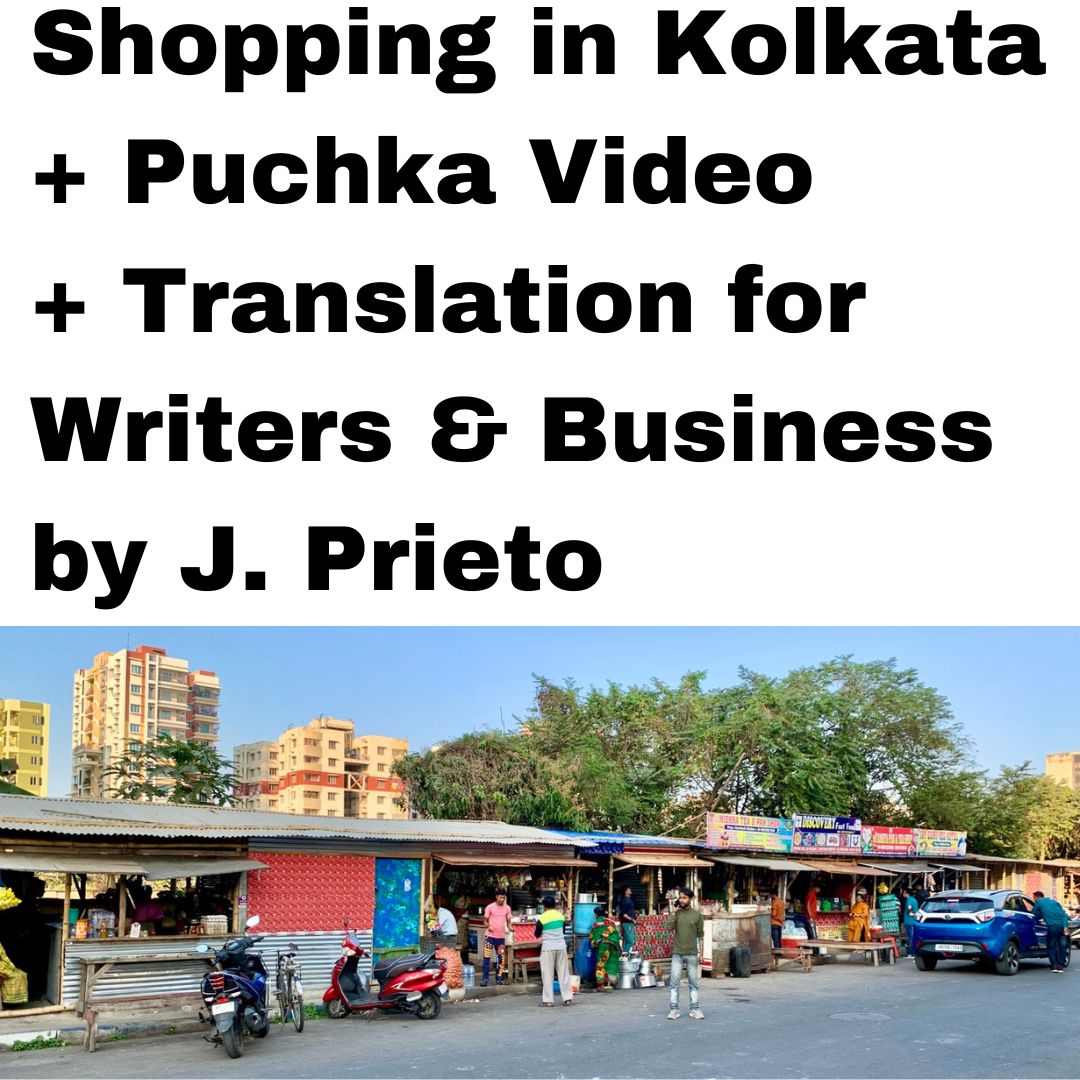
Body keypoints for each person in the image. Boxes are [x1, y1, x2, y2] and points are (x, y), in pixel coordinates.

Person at [666, 887, 704, 1021]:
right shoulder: (677, 914)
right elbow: (668, 928)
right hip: (677, 953)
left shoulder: (697, 915)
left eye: (684, 898)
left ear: (691, 899)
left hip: (692, 953)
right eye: (680, 897)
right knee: (674, 982)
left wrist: (701, 954)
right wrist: (673, 913)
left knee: (693, 983)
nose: (681, 900)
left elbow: (700, 936)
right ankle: (674, 1009)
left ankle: (695, 1009)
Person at [533, 896, 573, 1006]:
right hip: (561, 946)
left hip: (548, 948)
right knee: (563, 972)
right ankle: (567, 998)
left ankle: (548, 1000)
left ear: (544, 906)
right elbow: (563, 931)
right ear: (554, 905)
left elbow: (536, 935)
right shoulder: (560, 916)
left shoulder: (542, 918)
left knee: (547, 974)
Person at [1031, 891, 1070, 972]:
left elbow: (1033, 913)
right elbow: (1064, 915)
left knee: (1051, 946)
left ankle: (1054, 966)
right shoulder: (1055, 902)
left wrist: (1040, 915)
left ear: (1036, 897)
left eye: (1034, 898)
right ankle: (1060, 966)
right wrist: (1065, 926)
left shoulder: (1039, 902)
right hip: (1062, 927)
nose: (1034, 900)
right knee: (1062, 947)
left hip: (1052, 927)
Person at [481, 889, 511, 986]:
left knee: (501, 959)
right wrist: (488, 926)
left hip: (501, 938)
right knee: (486, 959)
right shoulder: (490, 907)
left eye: (503, 898)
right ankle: (485, 979)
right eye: (500, 897)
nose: (502, 899)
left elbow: (509, 922)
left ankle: (499, 978)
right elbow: (485, 921)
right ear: (496, 896)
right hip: (489, 937)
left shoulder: (507, 908)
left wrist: (511, 928)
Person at [589, 905, 622, 992]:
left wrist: (594, 943)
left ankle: (601, 985)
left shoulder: (596, 924)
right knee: (612, 963)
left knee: (601, 964)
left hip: (604, 946)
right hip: (614, 945)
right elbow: (617, 934)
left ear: (596, 914)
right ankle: (610, 984)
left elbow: (594, 937)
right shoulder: (611, 922)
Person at [618, 886, 638, 953]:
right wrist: (632, 920)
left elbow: (629, 910)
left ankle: (624, 955)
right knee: (630, 941)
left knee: (627, 940)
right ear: (625, 891)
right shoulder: (624, 901)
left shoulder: (629, 899)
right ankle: (626, 955)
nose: (630, 890)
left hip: (629, 923)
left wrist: (635, 912)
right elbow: (624, 914)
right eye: (629, 890)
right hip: (627, 922)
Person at [902, 887, 919, 956]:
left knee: (910, 937)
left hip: (909, 921)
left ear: (906, 893)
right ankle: (913, 952)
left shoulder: (909, 901)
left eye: (903, 892)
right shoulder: (914, 900)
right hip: (913, 921)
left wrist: (912, 914)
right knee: (912, 937)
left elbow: (909, 912)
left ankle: (911, 953)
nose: (903, 894)